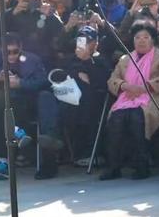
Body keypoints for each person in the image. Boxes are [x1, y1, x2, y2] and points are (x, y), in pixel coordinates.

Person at [100, 23, 159, 180]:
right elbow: (112, 80)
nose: (141, 40)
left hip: (153, 98)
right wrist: (124, 85)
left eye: (146, 37)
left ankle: (142, 165)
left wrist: (144, 87)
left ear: (153, 40)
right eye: (137, 37)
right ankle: (113, 166)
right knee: (116, 118)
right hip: (126, 97)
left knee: (137, 117)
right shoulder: (125, 59)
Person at [36, 26, 109, 176]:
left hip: (85, 105)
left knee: (58, 112)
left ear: (95, 43)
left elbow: (102, 83)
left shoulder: (101, 60)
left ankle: (50, 151)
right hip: (63, 98)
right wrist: (75, 74)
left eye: (87, 41)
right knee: (44, 96)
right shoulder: (69, 60)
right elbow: (56, 77)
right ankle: (51, 138)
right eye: (80, 40)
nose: (82, 44)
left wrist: (87, 62)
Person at [0, 33, 47, 178]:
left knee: (5, 112)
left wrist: (20, 83)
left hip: (25, 103)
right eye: (7, 52)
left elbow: (43, 82)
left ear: (21, 48)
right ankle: (17, 132)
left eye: (15, 51)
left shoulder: (32, 60)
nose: (12, 56)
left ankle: (4, 161)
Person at [6, 0, 64, 69]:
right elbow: (0, 33)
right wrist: (14, 13)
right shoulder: (12, 13)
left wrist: (50, 16)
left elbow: (61, 33)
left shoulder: (47, 10)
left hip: (42, 61)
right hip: (18, 61)